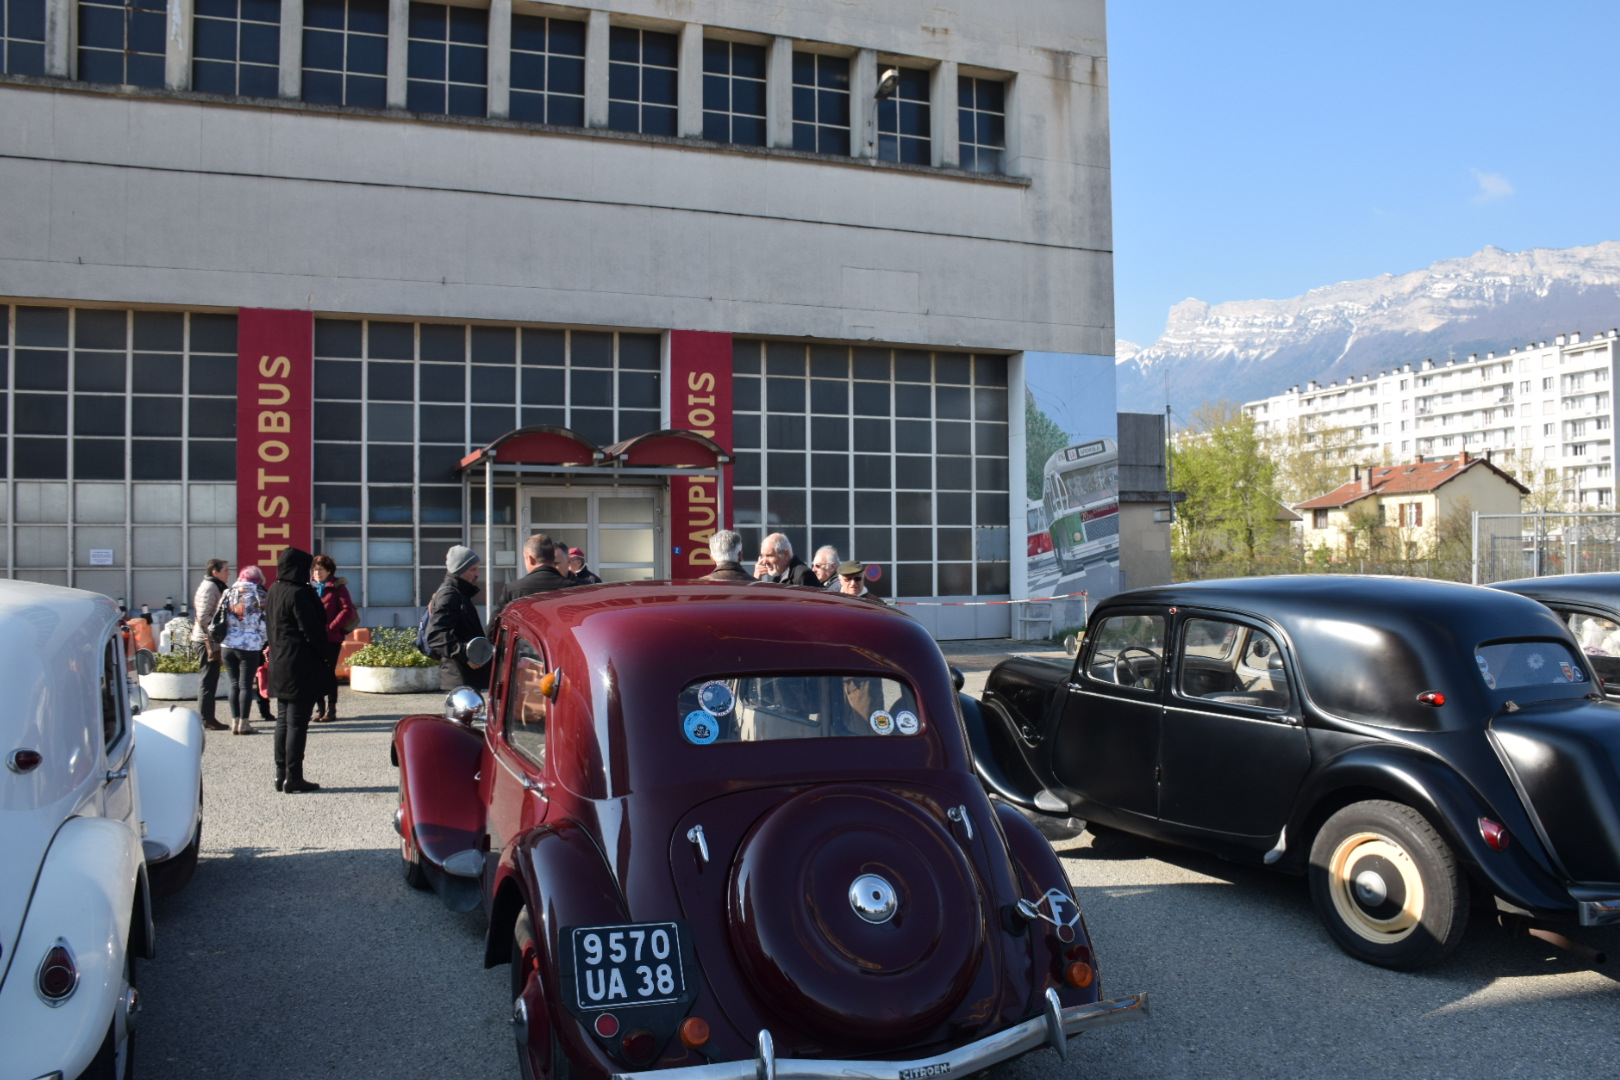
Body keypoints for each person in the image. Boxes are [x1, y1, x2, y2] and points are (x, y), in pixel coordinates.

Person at [266, 547, 328, 794]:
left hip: (279, 661)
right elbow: (312, 630)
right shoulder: (300, 592)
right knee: (297, 723)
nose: (310, 572)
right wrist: (324, 655)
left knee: (283, 720)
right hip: (300, 663)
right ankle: (294, 777)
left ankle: (280, 774)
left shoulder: (275, 589)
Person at [427, 544, 490, 692]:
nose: (477, 574)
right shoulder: (450, 595)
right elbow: (436, 636)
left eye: (477, 569)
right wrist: (466, 655)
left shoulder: (460, 593)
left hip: (463, 677)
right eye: (472, 569)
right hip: (458, 678)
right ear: (459, 570)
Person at [220, 566, 272, 735]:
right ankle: (244, 723)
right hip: (249, 646)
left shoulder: (228, 592)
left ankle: (234, 722)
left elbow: (219, 615)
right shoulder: (260, 595)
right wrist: (261, 641)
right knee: (246, 686)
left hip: (228, 645)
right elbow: (265, 623)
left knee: (234, 684)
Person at [490, 534, 577, 632]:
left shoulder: (512, 589)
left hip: (526, 641)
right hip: (564, 641)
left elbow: (493, 629)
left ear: (530, 559)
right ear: (553, 558)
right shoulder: (576, 588)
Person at [311, 554, 358, 723]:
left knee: (328, 672)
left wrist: (331, 628)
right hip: (313, 638)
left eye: (321, 570)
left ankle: (331, 709)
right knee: (315, 673)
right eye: (315, 570)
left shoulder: (337, 586)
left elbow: (347, 609)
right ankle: (320, 708)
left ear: (329, 571)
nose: (317, 573)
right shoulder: (310, 587)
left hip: (331, 638)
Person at [191, 558, 230, 731]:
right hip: (206, 640)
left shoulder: (215, 586)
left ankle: (207, 716)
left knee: (210, 678)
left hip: (208, 638)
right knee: (208, 679)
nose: (228, 573)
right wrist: (219, 631)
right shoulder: (210, 587)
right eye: (225, 570)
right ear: (215, 572)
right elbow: (203, 617)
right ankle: (206, 718)